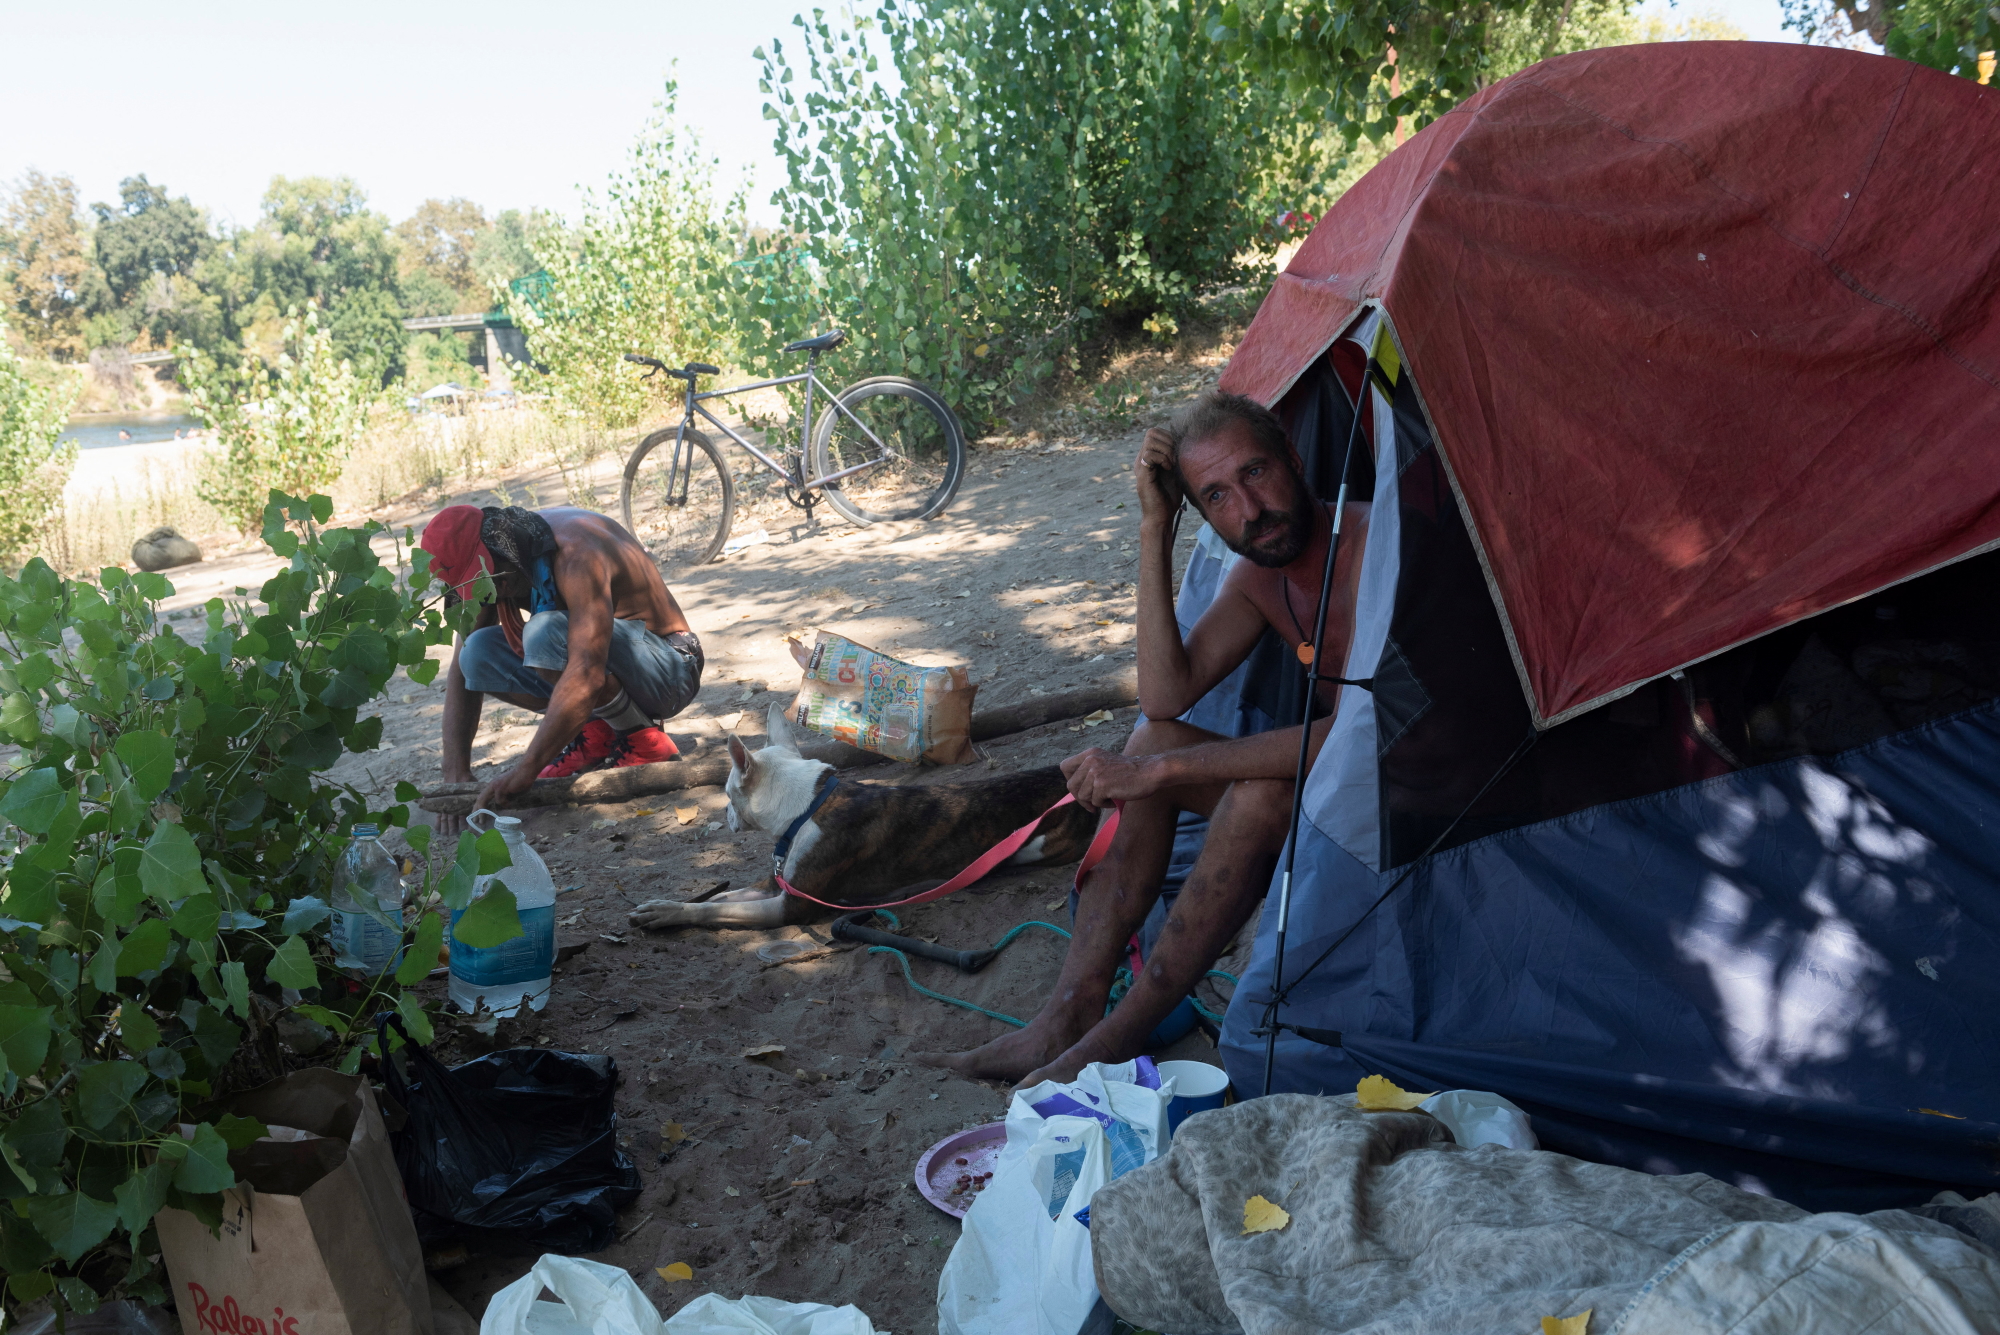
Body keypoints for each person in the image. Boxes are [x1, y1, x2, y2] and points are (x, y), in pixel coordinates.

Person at [925, 390, 1370, 1088]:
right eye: (1217, 496)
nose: (1248, 511)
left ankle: (1116, 1034)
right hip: (1337, 789)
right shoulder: (1259, 578)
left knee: (1242, 796)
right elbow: (1164, 696)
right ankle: (1068, 1011)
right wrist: (1153, 526)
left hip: (1410, 795)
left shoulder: (1374, 547)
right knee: (1154, 736)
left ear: (1292, 454)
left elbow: (1363, 735)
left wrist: (1162, 772)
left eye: (1255, 473)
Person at [419, 504, 704, 830]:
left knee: (542, 633)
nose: (489, 591)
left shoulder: (576, 555)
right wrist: (455, 770)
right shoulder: (504, 562)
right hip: (607, 668)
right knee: (475, 653)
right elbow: (460, 668)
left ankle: (645, 742)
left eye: (485, 578)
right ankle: (597, 733)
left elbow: (586, 673)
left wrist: (528, 767)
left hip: (671, 668)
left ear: (499, 546)